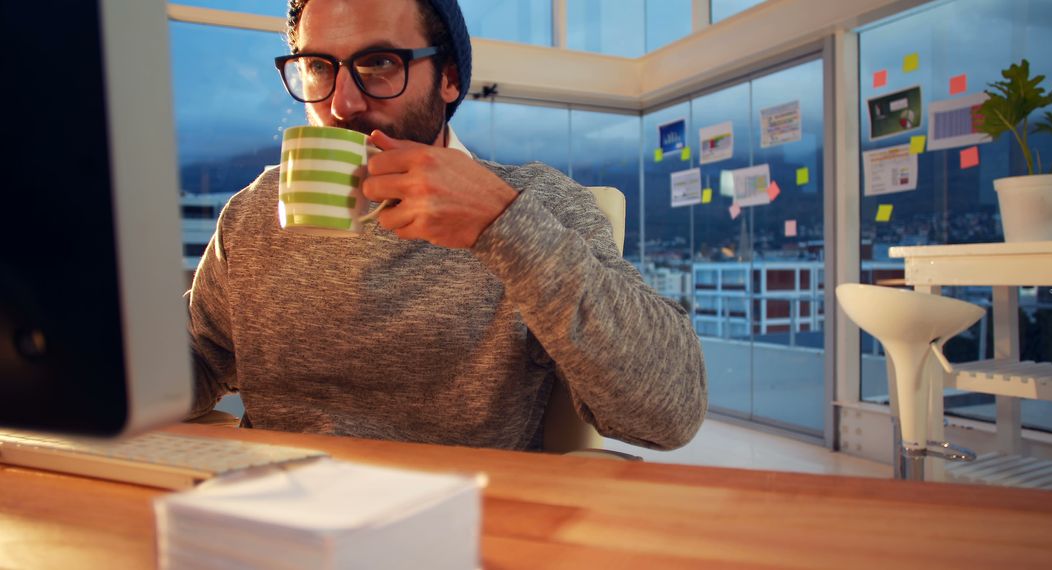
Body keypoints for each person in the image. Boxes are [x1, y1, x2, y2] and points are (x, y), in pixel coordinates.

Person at [187, 0, 707, 451]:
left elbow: (671, 411)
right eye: (318, 67)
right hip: (271, 517)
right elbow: (198, 360)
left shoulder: (536, 205)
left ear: (450, 78)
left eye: (379, 63)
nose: (342, 103)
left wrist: (501, 224)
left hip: (460, 524)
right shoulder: (255, 212)